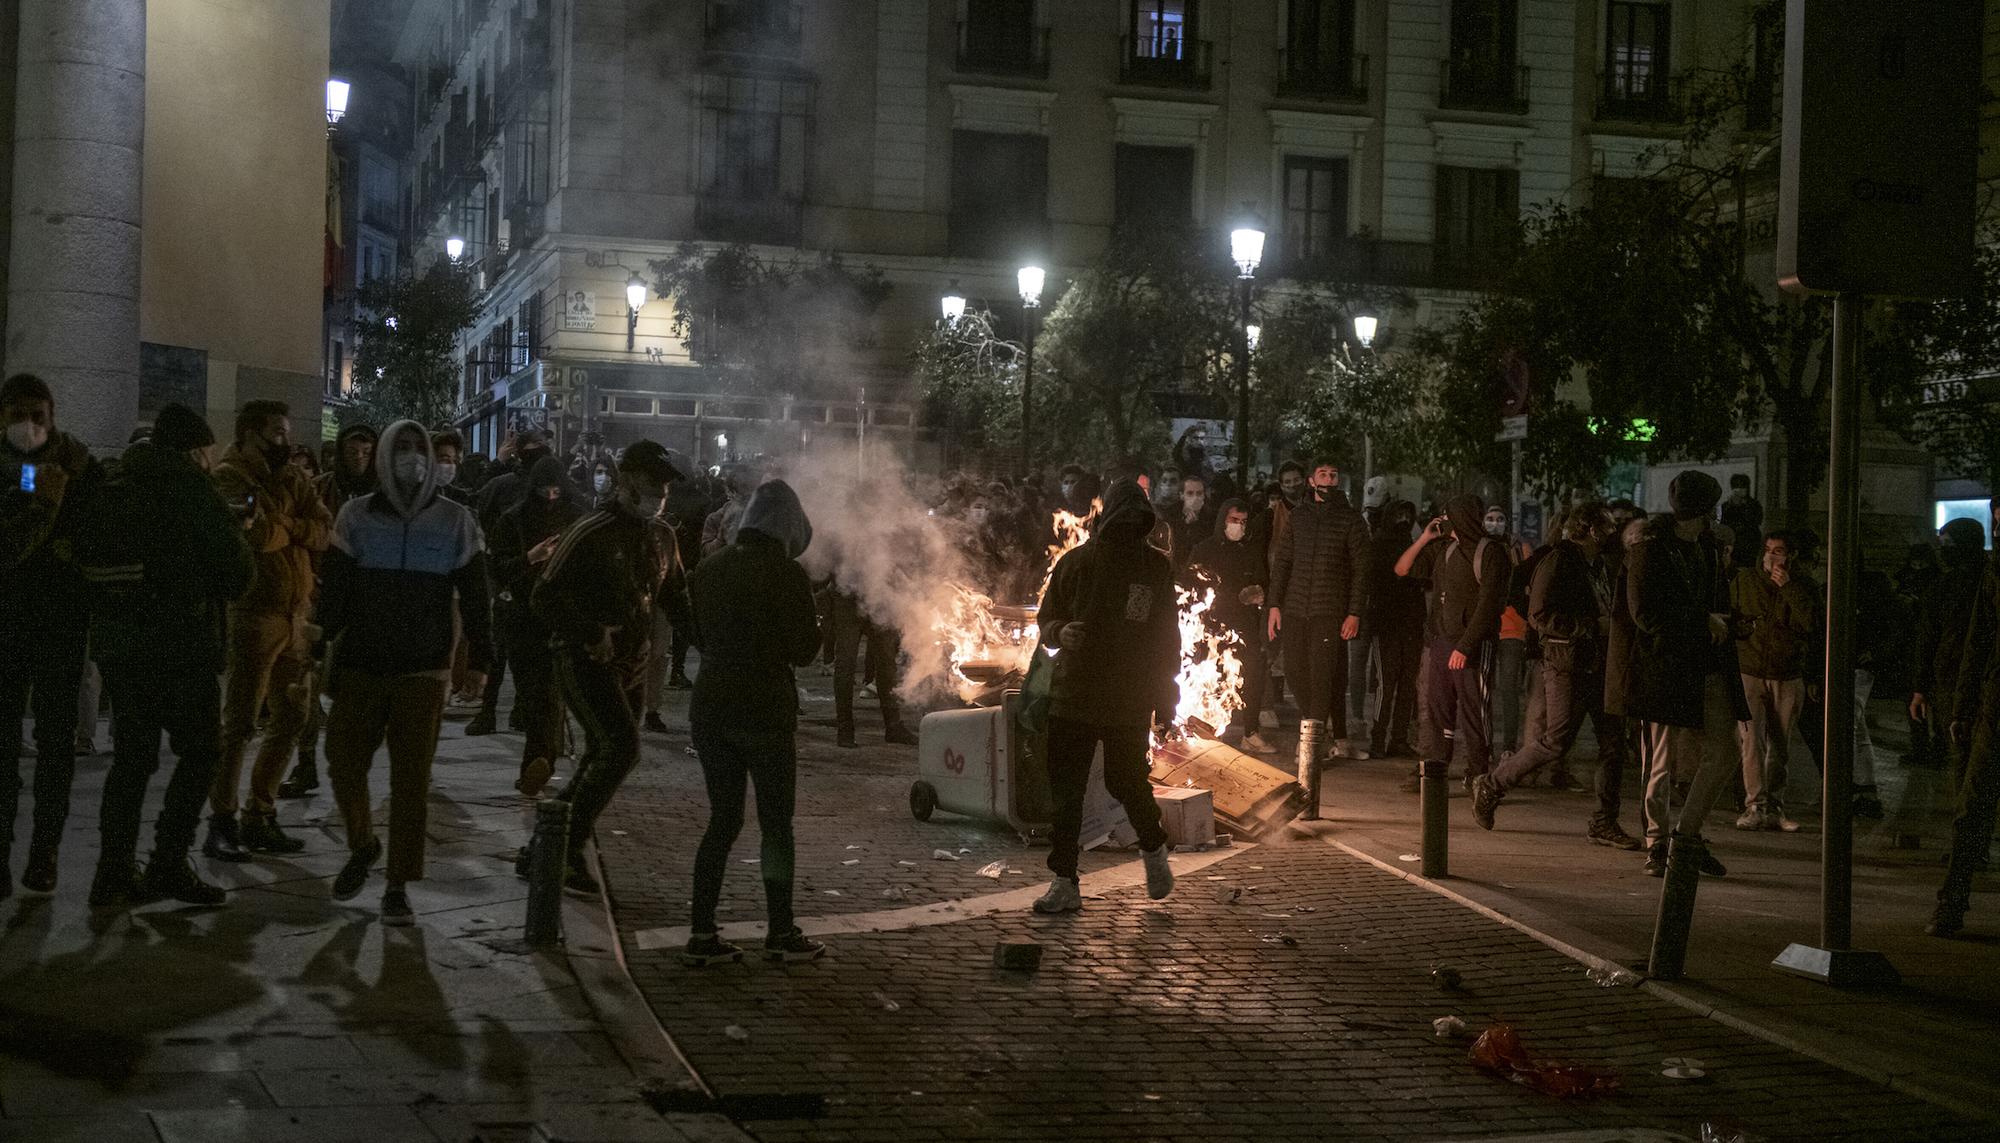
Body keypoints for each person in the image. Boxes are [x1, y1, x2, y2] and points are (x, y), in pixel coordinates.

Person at [76, 404, 253, 907]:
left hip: (122, 646)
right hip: (181, 645)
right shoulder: (192, 489)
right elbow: (236, 573)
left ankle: (112, 874)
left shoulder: (117, 479)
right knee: (202, 751)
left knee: (132, 760)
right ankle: (168, 863)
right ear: (196, 449)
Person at [319, 420, 492, 925]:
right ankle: (362, 842)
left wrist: (481, 661)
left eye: (421, 448)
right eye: (404, 448)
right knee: (343, 760)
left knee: (410, 781)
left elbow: (478, 600)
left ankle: (398, 884)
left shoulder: (456, 521)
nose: (415, 457)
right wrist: (312, 647)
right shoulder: (355, 517)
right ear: (384, 456)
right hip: (361, 666)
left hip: (424, 670)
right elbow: (334, 595)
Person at [677, 479, 826, 965]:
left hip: (713, 704)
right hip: (764, 707)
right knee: (775, 824)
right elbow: (805, 650)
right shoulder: (787, 574)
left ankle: (702, 932)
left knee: (722, 820)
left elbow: (695, 631)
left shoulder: (711, 567)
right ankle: (780, 932)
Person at [534, 440, 687, 893]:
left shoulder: (663, 537)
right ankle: (566, 848)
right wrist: (589, 631)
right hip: (584, 658)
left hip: (632, 665)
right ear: (625, 480)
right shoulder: (591, 529)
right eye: (651, 483)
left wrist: (715, 648)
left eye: (665, 486)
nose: (659, 493)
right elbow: (544, 596)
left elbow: (677, 599)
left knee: (605, 754)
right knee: (620, 748)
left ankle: (545, 848)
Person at [1030, 478, 1179, 914]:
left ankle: (1153, 849)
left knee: (1127, 780)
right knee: (1067, 791)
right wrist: (1061, 631)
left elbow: (1166, 638)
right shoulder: (1075, 563)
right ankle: (1064, 880)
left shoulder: (1155, 568)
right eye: (1123, 515)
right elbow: (1047, 619)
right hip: (1074, 692)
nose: (1129, 524)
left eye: (1138, 516)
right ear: (1107, 516)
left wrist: (1166, 697)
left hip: (1128, 698)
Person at [1472, 502, 1641, 849]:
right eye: (1607, 526)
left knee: (1612, 742)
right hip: (1567, 664)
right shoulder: (1559, 560)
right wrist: (1591, 627)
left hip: (1598, 663)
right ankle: (1493, 783)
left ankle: (1604, 821)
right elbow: (1540, 615)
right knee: (1555, 741)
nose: (1613, 532)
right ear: (1590, 530)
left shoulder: (1600, 564)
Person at [206, 399, 330, 862]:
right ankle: (221, 818)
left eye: (287, 431)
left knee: (293, 716)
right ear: (250, 433)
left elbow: (322, 530)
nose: (286, 440)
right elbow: (255, 537)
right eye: (276, 432)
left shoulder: (294, 477)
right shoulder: (231, 476)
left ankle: (260, 812)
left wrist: (286, 526)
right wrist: (291, 529)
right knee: (239, 721)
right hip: (254, 613)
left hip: (295, 614)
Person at [1606, 471, 1747, 878]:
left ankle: (1687, 834)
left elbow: (1713, 599)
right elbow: (1645, 614)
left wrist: (1727, 621)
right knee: (1661, 759)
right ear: (1702, 511)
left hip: (1706, 664)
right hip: (1664, 668)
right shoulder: (1649, 550)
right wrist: (1702, 620)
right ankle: (1658, 841)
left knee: (1725, 750)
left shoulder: (1707, 548)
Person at [0, 374, 103, 894]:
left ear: (53, 414)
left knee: (56, 746)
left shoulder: (80, 466)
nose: (29, 425)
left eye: (37, 414)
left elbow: (97, 530)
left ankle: (44, 854)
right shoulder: (10, 468)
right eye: (18, 414)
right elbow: (22, 485)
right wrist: (38, 497)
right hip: (8, 623)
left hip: (61, 625)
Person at [1269, 461, 1370, 816]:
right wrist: (1274, 605)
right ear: (1311, 481)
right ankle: (1318, 728)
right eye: (1323, 474)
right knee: (1295, 670)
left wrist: (1354, 612)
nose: (1329, 478)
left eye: (1334, 474)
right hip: (1296, 608)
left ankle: (1310, 741)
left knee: (1322, 674)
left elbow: (1361, 569)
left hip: (1330, 609)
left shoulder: (1351, 519)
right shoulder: (1299, 517)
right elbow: (1283, 562)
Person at [1395, 495, 1508, 790]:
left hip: (1471, 646)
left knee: (1474, 711)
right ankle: (1436, 767)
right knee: (1439, 710)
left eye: (1447, 515)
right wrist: (1423, 539)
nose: (1442, 520)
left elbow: (1489, 604)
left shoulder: (1491, 553)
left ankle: (1478, 772)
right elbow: (1402, 570)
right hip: (1441, 643)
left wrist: (1466, 646)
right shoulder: (1444, 550)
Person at [487, 455, 581, 796]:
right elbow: (498, 569)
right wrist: (531, 557)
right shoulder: (514, 521)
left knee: (552, 697)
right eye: (545, 490)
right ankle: (538, 761)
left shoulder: (576, 518)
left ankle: (537, 763)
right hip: (524, 622)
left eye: (557, 490)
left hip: (562, 622)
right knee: (534, 697)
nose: (552, 497)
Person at [1930, 505, 2000, 938]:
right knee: (1971, 806)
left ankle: (1951, 904)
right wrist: (1962, 707)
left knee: (1972, 807)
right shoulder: (1994, 574)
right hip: (1994, 706)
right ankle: (1950, 904)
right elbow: (1978, 642)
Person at [468, 428, 558, 737]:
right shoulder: (501, 486)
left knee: (528, 654)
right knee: (499, 648)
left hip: (540, 580)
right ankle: (488, 711)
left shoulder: (552, 489)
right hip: (507, 575)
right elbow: (480, 506)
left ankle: (521, 710)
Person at [1730, 533, 1816, 832]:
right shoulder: (1746, 581)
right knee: (1750, 741)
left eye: (1778, 551)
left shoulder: (1803, 585)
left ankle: (1775, 806)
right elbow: (1732, 617)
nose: (1771, 556)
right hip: (1751, 669)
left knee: (1780, 745)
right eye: (1767, 550)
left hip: (1787, 673)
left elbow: (1812, 624)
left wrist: (1788, 588)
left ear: (1789, 556)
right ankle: (1754, 805)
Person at [1186, 499, 1274, 753]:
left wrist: (1258, 593)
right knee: (1211, 678)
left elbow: (1263, 582)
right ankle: (1209, 732)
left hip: (1245, 625)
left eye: (1243, 522)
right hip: (1211, 626)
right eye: (1234, 520)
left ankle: (1251, 732)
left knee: (1253, 677)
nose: (1238, 526)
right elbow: (1190, 584)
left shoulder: (1250, 550)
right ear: (1223, 520)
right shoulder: (1204, 549)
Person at [1911, 518, 1989, 790]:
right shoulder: (1954, 585)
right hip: (1956, 680)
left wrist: (1920, 689)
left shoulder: (1946, 587)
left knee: (1963, 755)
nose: (1943, 551)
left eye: (1949, 544)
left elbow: (1928, 640)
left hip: (1957, 679)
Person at [1366, 500, 1423, 757]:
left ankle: (1398, 738)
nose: (1403, 520)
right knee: (1386, 684)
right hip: (1387, 623)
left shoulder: (1413, 544)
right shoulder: (1379, 544)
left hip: (1410, 623)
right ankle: (1378, 737)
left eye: (1407, 515)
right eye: (1398, 515)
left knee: (1407, 684)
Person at [1483, 506, 1533, 756]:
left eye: (1500, 519)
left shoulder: (1519, 549)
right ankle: (1485, 743)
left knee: (1509, 690)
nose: (1495, 524)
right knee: (1485, 691)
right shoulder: (1480, 549)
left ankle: (1509, 747)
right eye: (1490, 519)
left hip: (1513, 628)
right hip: (1486, 627)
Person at [1166, 473, 1212, 571]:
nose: (1195, 497)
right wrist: (1185, 525)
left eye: (1199, 493)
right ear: (1182, 495)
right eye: (1190, 493)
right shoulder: (1169, 516)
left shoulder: (1211, 518)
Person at [1718, 474, 1763, 568]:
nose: (1739, 490)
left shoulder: (1753, 504)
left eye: (1742, 487)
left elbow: (1757, 521)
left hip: (1749, 544)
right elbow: (1722, 523)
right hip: (1732, 544)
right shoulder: (1726, 506)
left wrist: (1744, 506)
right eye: (1736, 487)